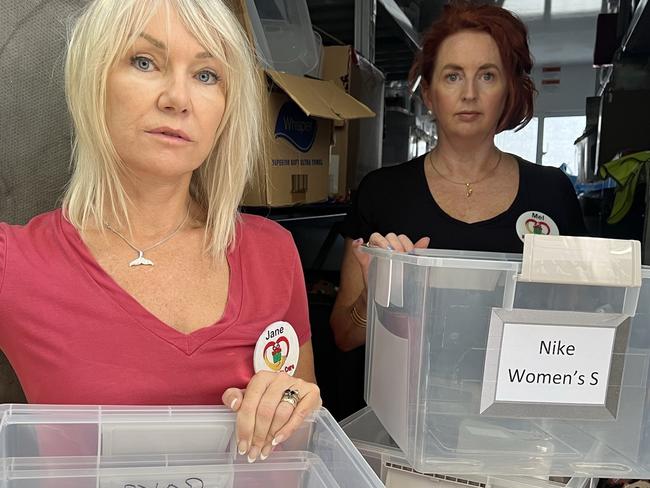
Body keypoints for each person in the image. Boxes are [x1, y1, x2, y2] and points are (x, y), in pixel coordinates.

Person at [0, 0, 320, 464]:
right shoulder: (16, 262)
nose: (178, 98)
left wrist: (295, 409)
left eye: (207, 75)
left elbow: (301, 439)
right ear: (94, 79)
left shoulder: (272, 252)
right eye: (144, 62)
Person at [331, 2, 587, 352]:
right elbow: (343, 337)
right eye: (452, 76)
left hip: (516, 397)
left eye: (487, 75)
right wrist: (374, 296)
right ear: (429, 95)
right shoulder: (381, 192)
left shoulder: (552, 193)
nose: (469, 93)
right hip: (407, 402)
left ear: (508, 90)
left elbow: (578, 327)